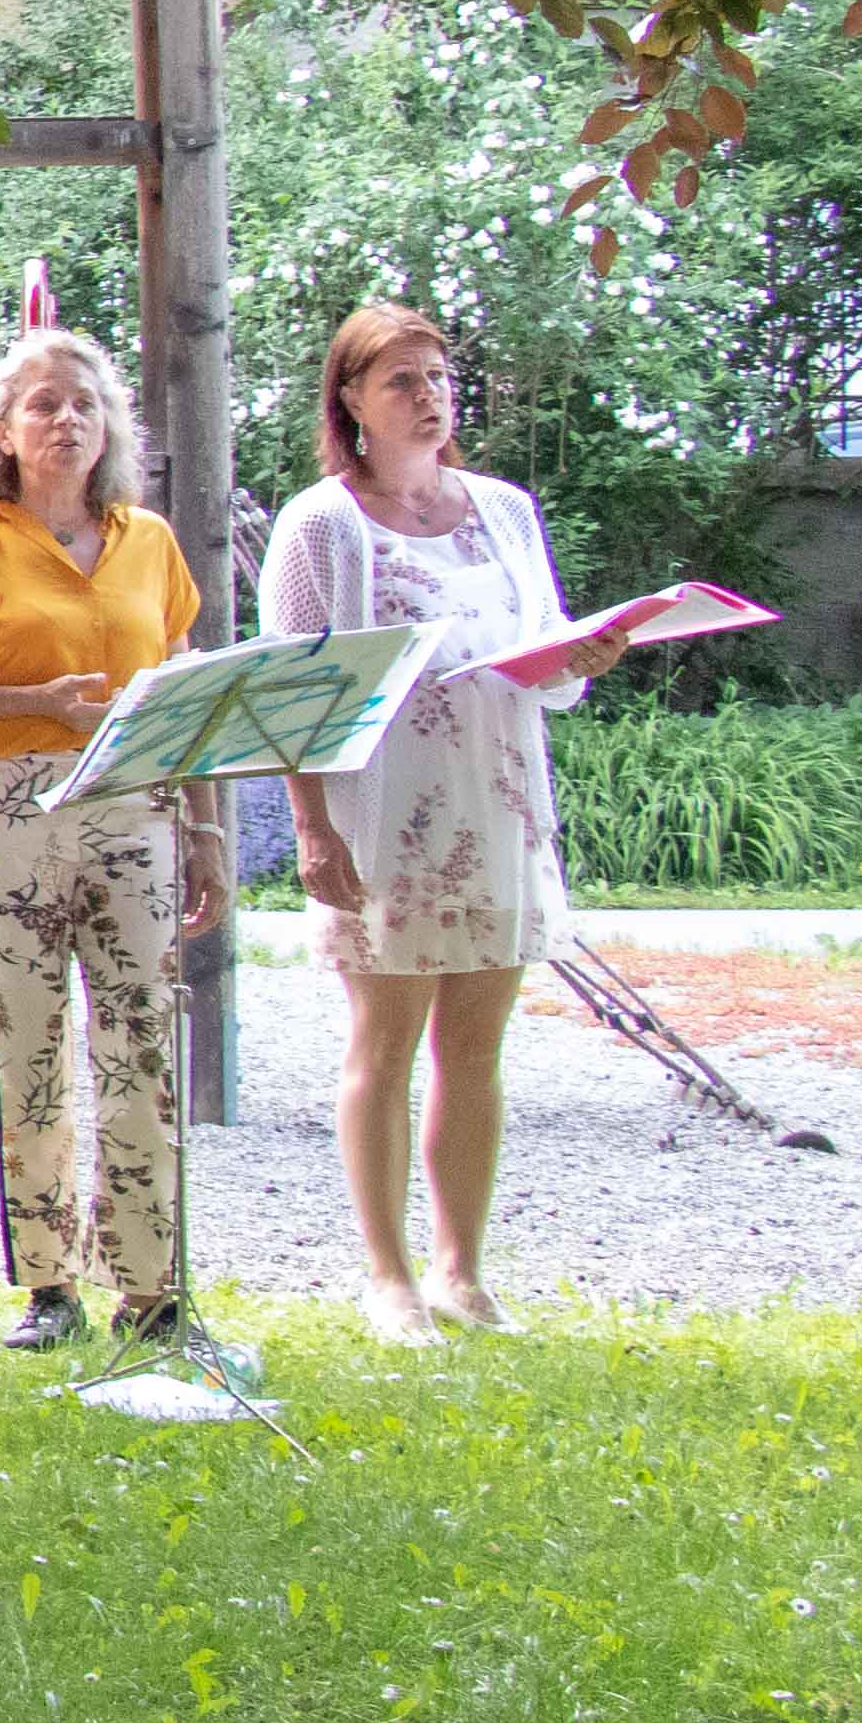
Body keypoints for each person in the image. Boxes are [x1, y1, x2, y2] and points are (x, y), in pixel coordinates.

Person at [263, 302, 633, 1341]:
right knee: (383, 1044)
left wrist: (580, 658)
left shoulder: (503, 510)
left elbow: (541, 653)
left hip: (496, 799)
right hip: (382, 815)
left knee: (475, 1048)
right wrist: (311, 829)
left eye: (438, 378)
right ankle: (383, 1276)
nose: (429, 400)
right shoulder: (320, 525)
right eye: (402, 383)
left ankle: (459, 1272)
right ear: (350, 402)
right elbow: (292, 693)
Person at [0, 329, 208, 1353]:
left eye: (82, 404)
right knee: (28, 1050)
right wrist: (30, 700)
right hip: (2, 813)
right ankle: (46, 1287)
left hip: (134, 809)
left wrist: (199, 825)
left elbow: (181, 690)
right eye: (40, 405)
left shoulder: (147, 542)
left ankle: (153, 1288)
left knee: (143, 1044)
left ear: (110, 423)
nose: (64, 421)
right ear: (0, 426)